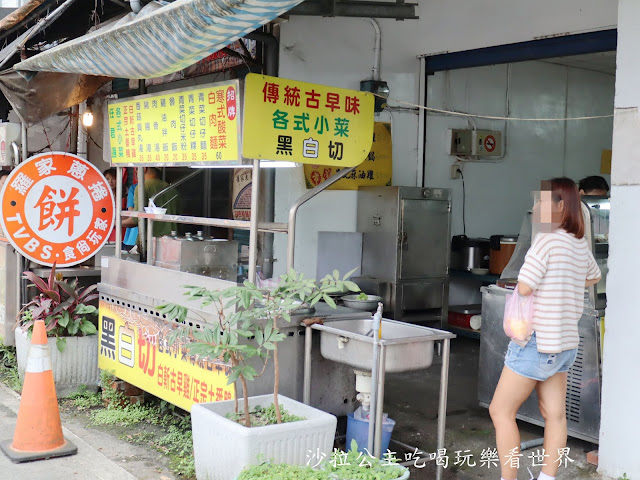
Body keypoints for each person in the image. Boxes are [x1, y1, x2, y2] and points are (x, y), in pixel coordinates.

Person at [489, 178, 601, 480]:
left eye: (541, 202)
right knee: (555, 415)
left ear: (560, 206)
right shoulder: (578, 242)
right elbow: (593, 276)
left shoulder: (547, 240)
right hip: (565, 344)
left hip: (537, 343)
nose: (535, 207)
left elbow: (525, 286)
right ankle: (547, 478)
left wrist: (543, 284)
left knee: (500, 411)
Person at [121, 167, 178, 240]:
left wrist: (115, 223)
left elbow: (135, 220)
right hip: (171, 240)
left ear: (144, 168)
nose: (135, 173)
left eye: (137, 169)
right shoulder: (172, 189)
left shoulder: (142, 187)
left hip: (150, 242)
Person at [122, 183, 138, 251]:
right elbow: (130, 210)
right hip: (133, 235)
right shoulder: (134, 188)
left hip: (133, 236)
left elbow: (131, 210)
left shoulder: (134, 188)